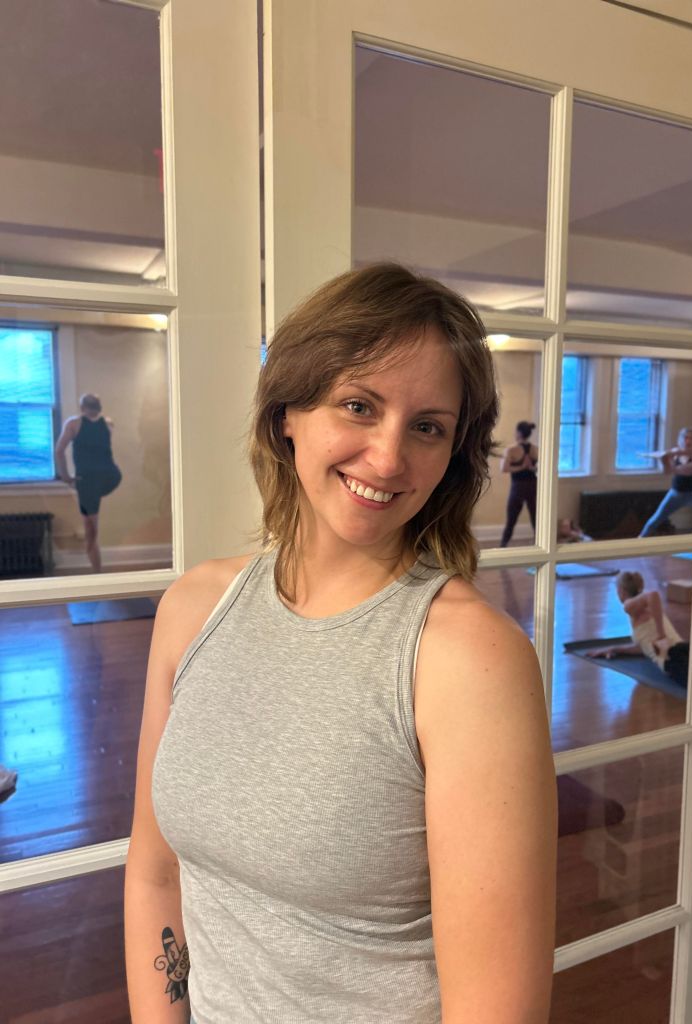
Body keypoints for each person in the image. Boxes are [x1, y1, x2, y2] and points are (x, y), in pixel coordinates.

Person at [125, 263, 557, 1024]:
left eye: (427, 427)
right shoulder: (194, 608)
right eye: (359, 405)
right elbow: (156, 873)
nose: (389, 458)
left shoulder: (466, 659)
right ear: (287, 411)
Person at [55, 393, 122, 573]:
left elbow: (59, 451)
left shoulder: (73, 424)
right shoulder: (108, 424)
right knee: (91, 525)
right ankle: (97, 571)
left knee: (90, 530)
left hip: (88, 480)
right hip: (112, 476)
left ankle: (97, 573)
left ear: (82, 407)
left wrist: (66, 477)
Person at [586, 570, 689, 686]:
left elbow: (653, 595)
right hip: (681, 650)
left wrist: (661, 637)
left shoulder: (628, 605)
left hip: (673, 658)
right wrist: (615, 649)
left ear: (621, 590)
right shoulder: (642, 606)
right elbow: (643, 648)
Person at [638, 427, 692, 538]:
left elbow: (690, 470)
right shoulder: (674, 453)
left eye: (691, 438)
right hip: (676, 494)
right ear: (680, 439)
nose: (688, 441)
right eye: (685, 438)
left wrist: (672, 464)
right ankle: (639, 541)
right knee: (656, 519)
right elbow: (667, 472)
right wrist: (664, 461)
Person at [499, 420, 538, 547]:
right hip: (533, 486)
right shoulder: (535, 449)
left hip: (518, 487)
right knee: (536, 519)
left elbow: (504, 469)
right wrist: (530, 467)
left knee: (511, 519)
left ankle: (502, 547)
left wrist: (522, 466)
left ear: (519, 433)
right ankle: (541, 549)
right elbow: (539, 468)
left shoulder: (511, 450)